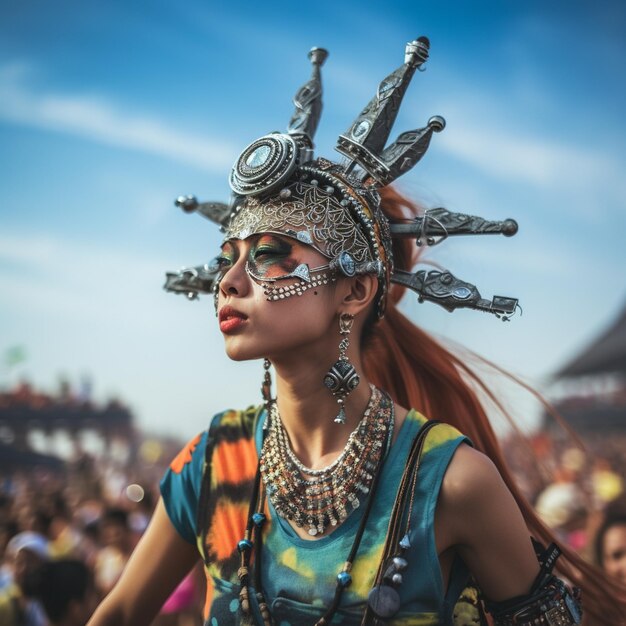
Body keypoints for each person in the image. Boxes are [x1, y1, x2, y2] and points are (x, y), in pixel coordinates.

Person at [87, 38, 626, 626]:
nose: (230, 281)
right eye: (226, 259)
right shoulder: (215, 461)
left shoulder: (451, 480)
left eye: (270, 255)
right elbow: (119, 613)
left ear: (354, 291)